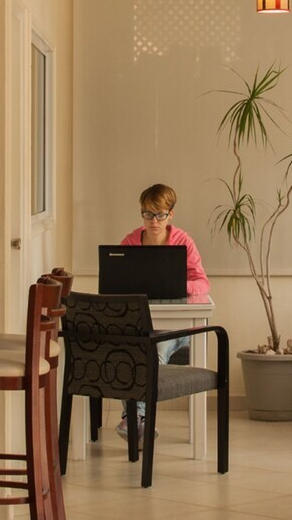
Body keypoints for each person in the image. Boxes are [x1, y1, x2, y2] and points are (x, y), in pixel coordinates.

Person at [115, 183, 210, 444]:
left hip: (176, 327)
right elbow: (117, 282)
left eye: (160, 215)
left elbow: (203, 283)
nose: (153, 221)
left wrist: (178, 285)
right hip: (141, 325)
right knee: (132, 350)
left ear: (171, 214)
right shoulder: (130, 242)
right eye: (147, 214)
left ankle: (135, 418)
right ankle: (138, 420)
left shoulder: (183, 242)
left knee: (152, 350)